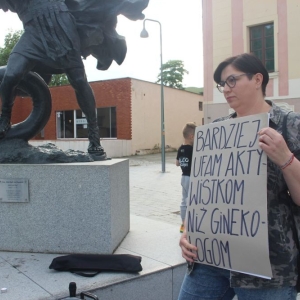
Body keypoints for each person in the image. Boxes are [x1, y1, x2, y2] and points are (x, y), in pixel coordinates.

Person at [178, 53, 300, 300]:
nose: (225, 89)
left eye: (232, 80)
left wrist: (286, 158)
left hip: (268, 269)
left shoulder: (289, 125)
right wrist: (188, 232)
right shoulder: (216, 131)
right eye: (222, 83)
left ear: (257, 79)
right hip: (210, 258)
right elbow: (203, 195)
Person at [0, 0, 148, 156]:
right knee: (11, 75)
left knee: (78, 81)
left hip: (61, 27)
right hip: (33, 32)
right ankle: (5, 118)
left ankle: (94, 137)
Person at [176, 122, 196, 233]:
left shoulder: (180, 148)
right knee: (191, 201)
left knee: (184, 201)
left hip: (183, 177)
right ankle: (190, 225)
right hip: (191, 178)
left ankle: (183, 225)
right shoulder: (193, 150)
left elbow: (177, 163)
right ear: (191, 136)